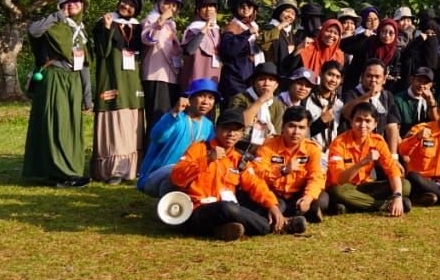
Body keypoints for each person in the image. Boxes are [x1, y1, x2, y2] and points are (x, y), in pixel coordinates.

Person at [170, 108, 302, 240]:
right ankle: (274, 226)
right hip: (198, 210)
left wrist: (273, 206)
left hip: (230, 207)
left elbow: (255, 184)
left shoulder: (239, 158)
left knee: (276, 202)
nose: (231, 134)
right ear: (216, 129)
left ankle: (225, 229)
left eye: (237, 130)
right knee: (228, 208)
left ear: (241, 134)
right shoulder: (199, 148)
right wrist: (207, 159)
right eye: (227, 128)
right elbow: (177, 177)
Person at [24, 0, 92, 187]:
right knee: (57, 126)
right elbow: (33, 30)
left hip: (73, 81)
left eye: (76, 2)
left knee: (71, 127)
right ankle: (65, 173)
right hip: (55, 79)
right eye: (67, 3)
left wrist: (87, 97)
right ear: (61, 6)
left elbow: (84, 64)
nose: (72, 5)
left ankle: (66, 170)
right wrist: (57, 16)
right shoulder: (52, 25)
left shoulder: (80, 30)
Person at [91, 0, 145, 183]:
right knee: (114, 123)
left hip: (133, 83)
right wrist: (106, 29)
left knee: (132, 125)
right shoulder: (105, 22)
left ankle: (132, 168)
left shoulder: (139, 27)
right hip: (112, 79)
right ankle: (112, 170)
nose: (126, 7)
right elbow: (101, 51)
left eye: (132, 6)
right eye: (124, 2)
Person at [325, 102, 410, 215]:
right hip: (344, 187)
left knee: (404, 185)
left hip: (364, 187)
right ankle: (385, 205)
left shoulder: (378, 141)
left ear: (375, 124)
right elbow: (339, 179)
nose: (363, 125)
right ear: (351, 122)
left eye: (368, 121)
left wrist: (398, 197)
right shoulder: (338, 143)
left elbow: (392, 170)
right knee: (337, 192)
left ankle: (351, 205)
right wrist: (362, 163)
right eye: (358, 120)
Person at [139, 78, 218, 198]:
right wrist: (174, 112)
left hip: (188, 175)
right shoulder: (175, 118)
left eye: (211, 98)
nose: (206, 102)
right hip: (157, 177)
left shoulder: (208, 125)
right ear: (189, 98)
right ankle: (168, 211)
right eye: (201, 96)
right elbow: (156, 136)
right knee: (177, 170)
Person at [249, 106, 327, 223]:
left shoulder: (312, 149)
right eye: (291, 126)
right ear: (282, 127)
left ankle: (297, 211)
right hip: (274, 194)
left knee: (322, 199)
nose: (296, 132)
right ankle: (293, 216)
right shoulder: (268, 146)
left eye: (301, 128)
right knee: (270, 204)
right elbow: (257, 174)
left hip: (298, 194)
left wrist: (307, 198)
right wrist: (282, 171)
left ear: (306, 130)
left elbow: (316, 177)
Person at [140, 0, 183, 129]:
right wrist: (160, 22)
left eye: (174, 5)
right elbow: (147, 39)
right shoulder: (151, 20)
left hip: (171, 75)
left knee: (169, 117)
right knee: (157, 119)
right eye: (166, 3)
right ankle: (152, 151)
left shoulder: (172, 24)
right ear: (158, 2)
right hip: (156, 75)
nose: (170, 8)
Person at [228, 61, 285, 155]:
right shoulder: (241, 98)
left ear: (276, 84)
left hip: (266, 151)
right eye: (262, 79)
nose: (266, 83)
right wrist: (261, 100)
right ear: (254, 82)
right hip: (239, 148)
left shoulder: (277, 104)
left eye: (271, 80)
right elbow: (239, 123)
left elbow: (277, 134)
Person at [217, 0, 263, 100]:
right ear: (235, 8)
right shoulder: (232, 27)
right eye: (242, 5)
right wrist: (246, 34)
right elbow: (228, 51)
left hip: (250, 77)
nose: (246, 8)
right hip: (235, 78)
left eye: (249, 5)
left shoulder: (254, 27)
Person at [179, 0, 222, 91]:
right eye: (204, 6)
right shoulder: (193, 29)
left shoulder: (218, 30)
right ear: (198, 10)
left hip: (213, 76)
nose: (208, 9)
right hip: (196, 75)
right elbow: (189, 50)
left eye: (211, 6)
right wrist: (204, 30)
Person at [396, 67, 437, 136]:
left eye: (425, 83)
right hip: (405, 140)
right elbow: (395, 130)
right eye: (419, 80)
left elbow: (437, 123)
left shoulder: (431, 99)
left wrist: (431, 103)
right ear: (412, 80)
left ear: (430, 85)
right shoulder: (398, 100)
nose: (421, 85)